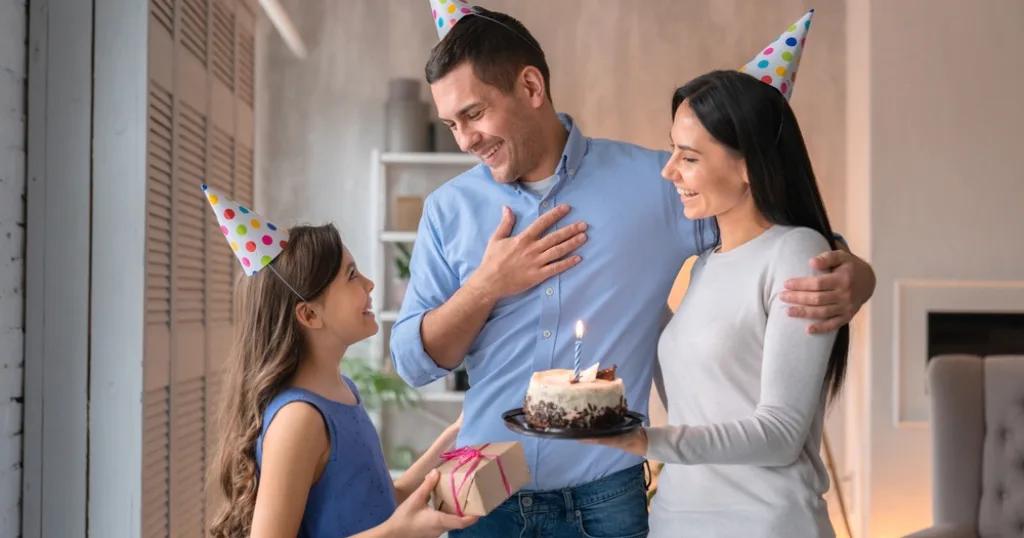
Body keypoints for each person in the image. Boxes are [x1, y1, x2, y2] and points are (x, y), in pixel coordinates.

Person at [391, 7, 874, 537]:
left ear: (530, 86)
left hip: (607, 497)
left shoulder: (657, 185)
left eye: (475, 114)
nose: (465, 139)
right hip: (485, 498)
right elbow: (415, 365)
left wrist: (853, 272)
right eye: (452, 124)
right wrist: (486, 286)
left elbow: (769, 233)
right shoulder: (447, 209)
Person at [581, 66, 845, 537]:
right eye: (672, 151)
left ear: (747, 164)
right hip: (677, 521)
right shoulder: (704, 266)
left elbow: (781, 435)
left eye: (689, 157)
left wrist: (647, 441)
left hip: (766, 524)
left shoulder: (797, 253)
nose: (669, 171)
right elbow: (697, 401)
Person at [203, 184, 477, 537]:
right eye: (351, 275)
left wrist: (454, 435)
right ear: (309, 315)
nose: (369, 283)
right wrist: (401, 533)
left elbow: (382, 502)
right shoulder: (298, 419)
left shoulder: (340, 391)